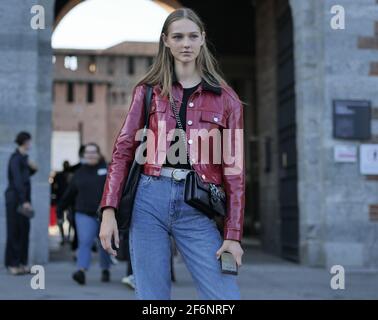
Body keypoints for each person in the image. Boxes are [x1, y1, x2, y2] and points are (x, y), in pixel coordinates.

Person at [99, 8, 245, 299]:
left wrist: (233, 235)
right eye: (178, 37)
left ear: (203, 39)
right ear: (166, 41)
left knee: (224, 297)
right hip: (148, 199)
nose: (186, 43)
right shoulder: (148, 91)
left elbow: (235, 172)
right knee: (152, 298)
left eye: (193, 36)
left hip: (197, 204)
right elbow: (123, 151)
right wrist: (109, 210)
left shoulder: (227, 99)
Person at [57, 143, 112, 285]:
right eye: (88, 152)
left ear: (99, 154)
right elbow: (69, 194)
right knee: (85, 242)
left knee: (104, 244)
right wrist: (60, 209)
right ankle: (81, 270)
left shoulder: (106, 170)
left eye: (93, 152)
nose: (91, 155)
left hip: (104, 214)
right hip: (83, 214)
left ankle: (105, 268)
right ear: (83, 155)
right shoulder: (79, 173)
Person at [4, 131, 38, 275]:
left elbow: (27, 176)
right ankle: (12, 264)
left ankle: (22, 263)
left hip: (23, 199)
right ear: (25, 142)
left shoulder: (23, 159)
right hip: (15, 199)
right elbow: (17, 181)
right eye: (29, 141)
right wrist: (24, 201)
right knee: (14, 231)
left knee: (24, 231)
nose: (30, 144)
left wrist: (32, 167)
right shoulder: (15, 159)